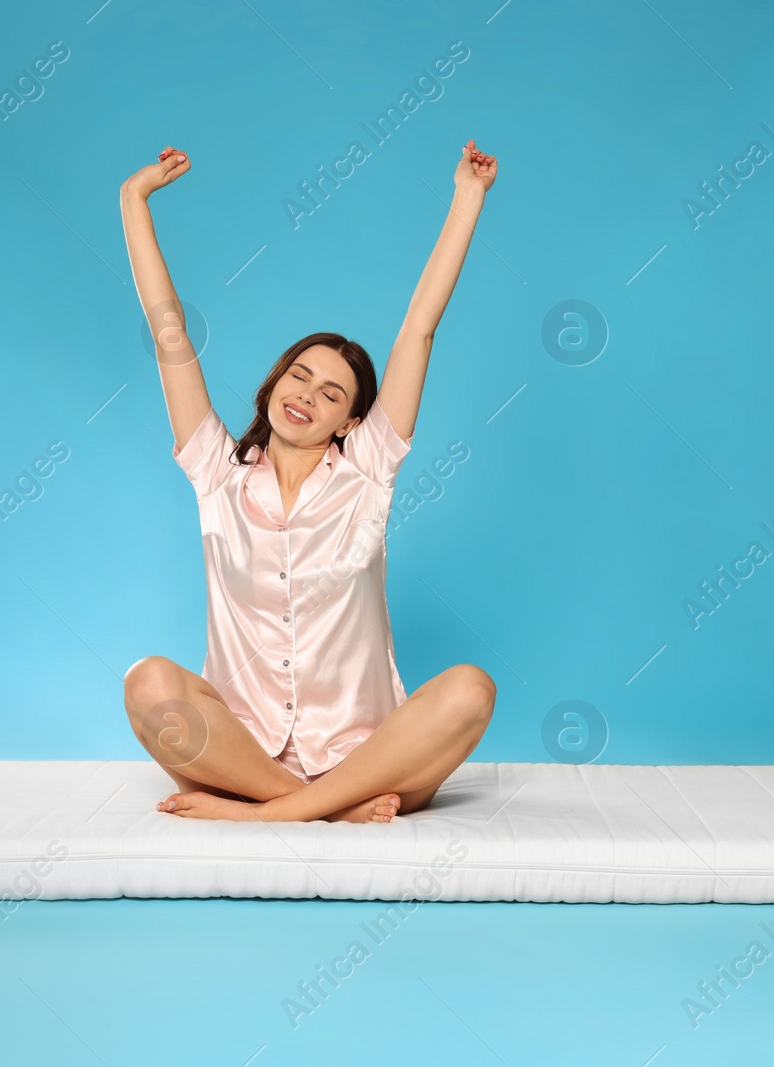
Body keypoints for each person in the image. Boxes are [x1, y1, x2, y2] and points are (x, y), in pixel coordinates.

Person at [119, 140, 499, 823]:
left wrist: (467, 196)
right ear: (273, 384)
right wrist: (133, 200)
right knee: (147, 682)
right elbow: (169, 332)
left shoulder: (367, 470)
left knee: (471, 689)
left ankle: (267, 814)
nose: (307, 395)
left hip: (372, 761)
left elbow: (419, 329)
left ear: (352, 419)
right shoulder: (216, 473)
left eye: (331, 392)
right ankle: (314, 806)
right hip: (242, 757)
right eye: (299, 374)